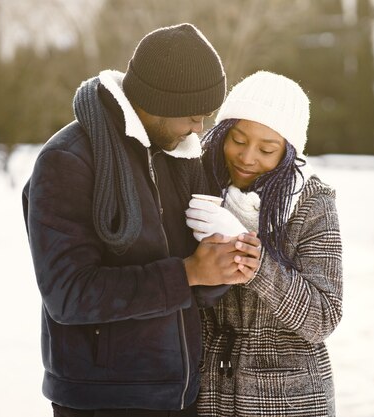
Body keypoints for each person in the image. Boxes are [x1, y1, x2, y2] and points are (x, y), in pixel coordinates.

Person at [21, 23, 262, 417]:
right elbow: (67, 294)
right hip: (104, 400)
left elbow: (195, 283)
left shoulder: (181, 156)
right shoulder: (69, 160)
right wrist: (187, 273)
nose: (200, 128)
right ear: (157, 100)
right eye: (193, 115)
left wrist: (223, 265)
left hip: (177, 394)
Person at [185, 70, 343, 417]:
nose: (247, 157)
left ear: (288, 152)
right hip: (212, 391)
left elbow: (324, 317)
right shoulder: (201, 189)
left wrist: (259, 268)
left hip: (290, 400)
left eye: (267, 149)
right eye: (238, 140)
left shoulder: (311, 204)